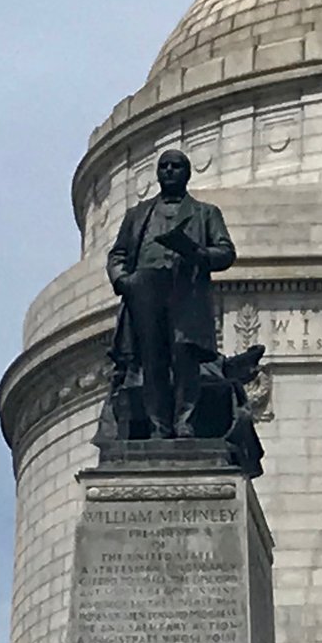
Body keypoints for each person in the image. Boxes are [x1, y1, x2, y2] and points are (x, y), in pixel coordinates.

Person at [104, 148, 236, 443]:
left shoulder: (206, 213)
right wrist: (123, 281)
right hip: (146, 290)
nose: (169, 171)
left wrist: (199, 253)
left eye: (176, 166)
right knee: (152, 361)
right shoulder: (138, 215)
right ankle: (158, 426)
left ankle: (184, 421)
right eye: (164, 167)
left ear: (187, 173)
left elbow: (226, 252)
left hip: (184, 291)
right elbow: (119, 254)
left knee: (184, 359)